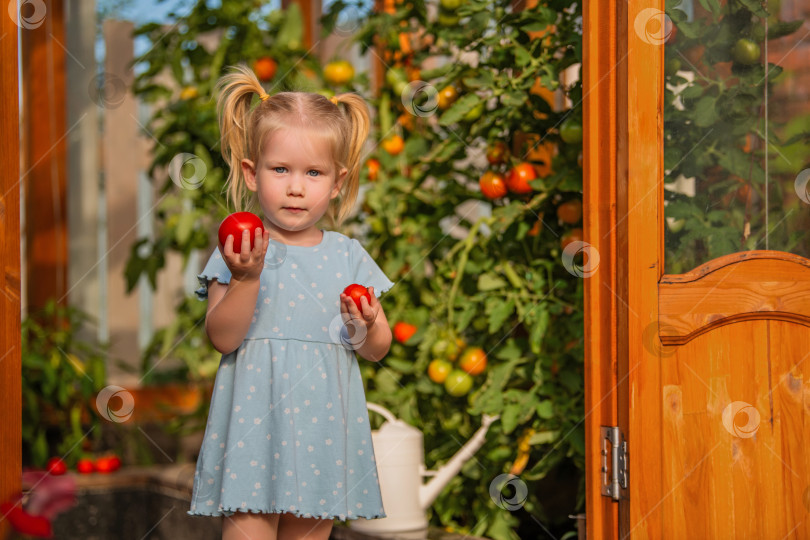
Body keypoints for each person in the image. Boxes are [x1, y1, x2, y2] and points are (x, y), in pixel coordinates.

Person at [187, 64, 394, 540]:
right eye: (280, 169)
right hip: (252, 438)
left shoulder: (347, 255)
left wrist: (367, 323)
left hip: (322, 438)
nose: (296, 186)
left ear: (338, 182)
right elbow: (222, 338)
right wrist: (246, 277)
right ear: (251, 173)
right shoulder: (240, 248)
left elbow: (375, 348)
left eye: (313, 172)